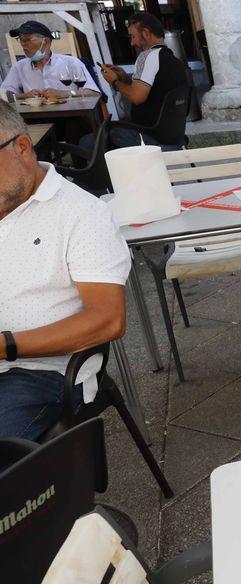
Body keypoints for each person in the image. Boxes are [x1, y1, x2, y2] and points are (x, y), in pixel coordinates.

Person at [0, 101, 130, 441]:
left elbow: (108, 319)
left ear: (22, 147)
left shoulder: (81, 214)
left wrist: (4, 345)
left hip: (40, 373)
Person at [92, 12, 189, 149]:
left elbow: (137, 97)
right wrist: (124, 78)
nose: (132, 43)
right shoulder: (174, 61)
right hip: (173, 136)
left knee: (89, 140)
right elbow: (153, 91)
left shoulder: (146, 56)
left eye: (133, 36)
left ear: (146, 33)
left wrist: (114, 81)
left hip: (148, 136)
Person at [1, 21, 101, 100]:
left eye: (27, 40)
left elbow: (94, 92)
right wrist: (24, 96)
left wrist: (65, 93)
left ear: (46, 41)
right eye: (20, 40)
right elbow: (3, 94)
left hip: (71, 116)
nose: (23, 44)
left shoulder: (71, 63)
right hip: (36, 118)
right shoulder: (19, 67)